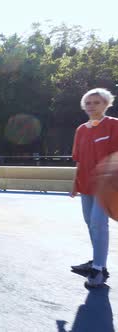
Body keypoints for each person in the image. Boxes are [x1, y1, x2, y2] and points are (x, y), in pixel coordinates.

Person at [70, 88, 118, 288]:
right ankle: (98, 262)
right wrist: (75, 184)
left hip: (107, 186)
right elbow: (79, 160)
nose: (92, 106)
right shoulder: (81, 129)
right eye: (88, 103)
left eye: (96, 102)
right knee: (90, 223)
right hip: (86, 184)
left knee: (99, 224)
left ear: (106, 104)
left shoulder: (114, 125)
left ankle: (98, 269)